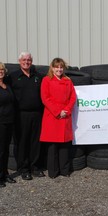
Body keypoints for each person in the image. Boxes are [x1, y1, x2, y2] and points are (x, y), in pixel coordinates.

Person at [8, 52, 45, 180]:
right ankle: (24, 169)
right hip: (20, 115)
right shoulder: (12, 77)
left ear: (32, 61)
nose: (26, 62)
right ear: (19, 61)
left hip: (37, 114)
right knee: (22, 142)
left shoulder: (38, 76)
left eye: (29, 60)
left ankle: (35, 167)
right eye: (24, 60)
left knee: (35, 142)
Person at [40, 58, 76, 178]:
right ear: (52, 68)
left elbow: (73, 97)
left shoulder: (68, 81)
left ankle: (65, 171)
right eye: (57, 67)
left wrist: (67, 110)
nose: (59, 69)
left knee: (64, 146)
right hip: (52, 116)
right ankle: (53, 172)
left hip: (65, 116)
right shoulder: (46, 80)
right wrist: (57, 111)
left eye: (61, 67)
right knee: (52, 147)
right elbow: (45, 98)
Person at [0, 63, 17, 187]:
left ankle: (5, 174)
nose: (0, 72)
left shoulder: (7, 85)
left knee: (5, 150)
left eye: (2, 70)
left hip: (8, 121)